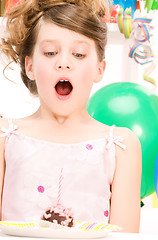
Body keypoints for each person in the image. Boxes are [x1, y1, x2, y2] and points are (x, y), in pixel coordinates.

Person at [0, 0, 142, 233]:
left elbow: (125, 237)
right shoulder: (5, 136)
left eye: (78, 54)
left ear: (99, 69)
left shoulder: (120, 145)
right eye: (50, 52)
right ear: (30, 66)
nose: (64, 63)